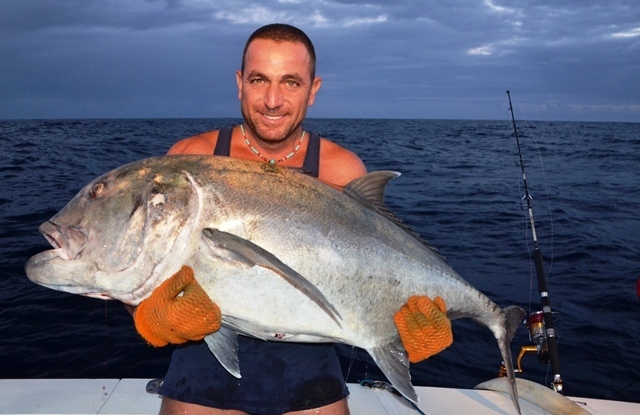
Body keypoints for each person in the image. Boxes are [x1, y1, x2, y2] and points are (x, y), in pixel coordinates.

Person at [132, 23, 453, 415]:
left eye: (290, 83)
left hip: (310, 368)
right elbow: (142, 265)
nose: (272, 100)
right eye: (258, 80)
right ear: (239, 83)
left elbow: (375, 272)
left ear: (313, 90)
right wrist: (147, 315)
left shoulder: (341, 169)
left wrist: (406, 326)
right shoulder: (190, 158)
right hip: (201, 359)